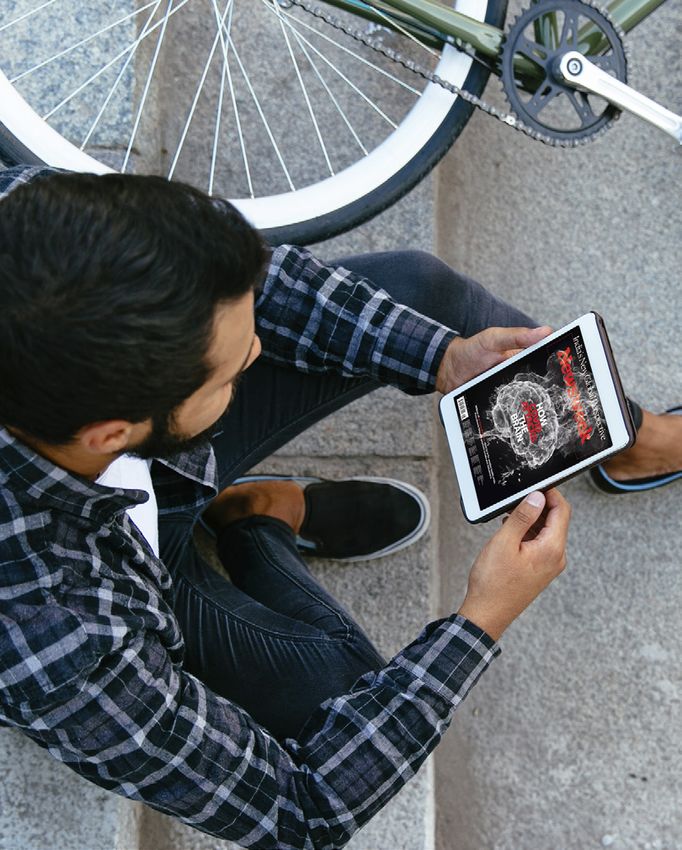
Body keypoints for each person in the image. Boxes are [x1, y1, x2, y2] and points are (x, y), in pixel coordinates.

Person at [0, 165, 678, 849]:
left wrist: (441, 356)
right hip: (126, 575)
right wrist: (482, 618)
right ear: (112, 434)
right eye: (232, 372)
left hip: (139, 471)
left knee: (420, 293)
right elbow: (301, 809)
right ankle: (254, 524)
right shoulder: (56, 634)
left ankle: (630, 439)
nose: (257, 351)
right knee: (341, 693)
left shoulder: (29, 220)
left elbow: (270, 284)